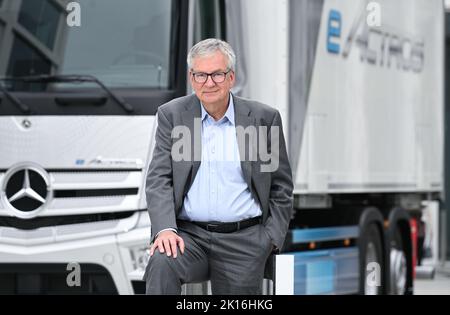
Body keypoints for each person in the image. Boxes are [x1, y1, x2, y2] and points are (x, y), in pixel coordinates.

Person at [143, 38, 293, 295]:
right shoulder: (172, 115)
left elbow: (281, 186)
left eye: (217, 74)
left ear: (231, 77)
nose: (209, 82)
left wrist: (269, 239)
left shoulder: (263, 119)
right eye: (201, 75)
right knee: (161, 263)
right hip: (189, 237)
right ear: (192, 77)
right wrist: (165, 230)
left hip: (244, 240)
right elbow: (159, 178)